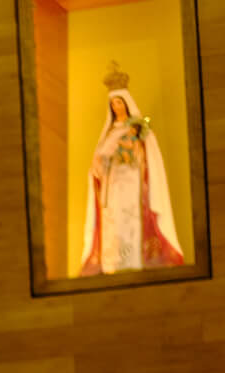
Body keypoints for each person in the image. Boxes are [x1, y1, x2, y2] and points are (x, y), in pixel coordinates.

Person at [79, 71, 187, 277]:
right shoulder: (108, 133)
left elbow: (147, 159)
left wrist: (131, 152)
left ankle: (134, 261)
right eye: (112, 104)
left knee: (131, 221)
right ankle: (113, 265)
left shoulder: (138, 129)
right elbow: (98, 165)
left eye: (119, 103)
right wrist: (99, 165)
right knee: (113, 223)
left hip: (131, 185)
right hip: (111, 189)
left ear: (126, 104)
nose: (116, 107)